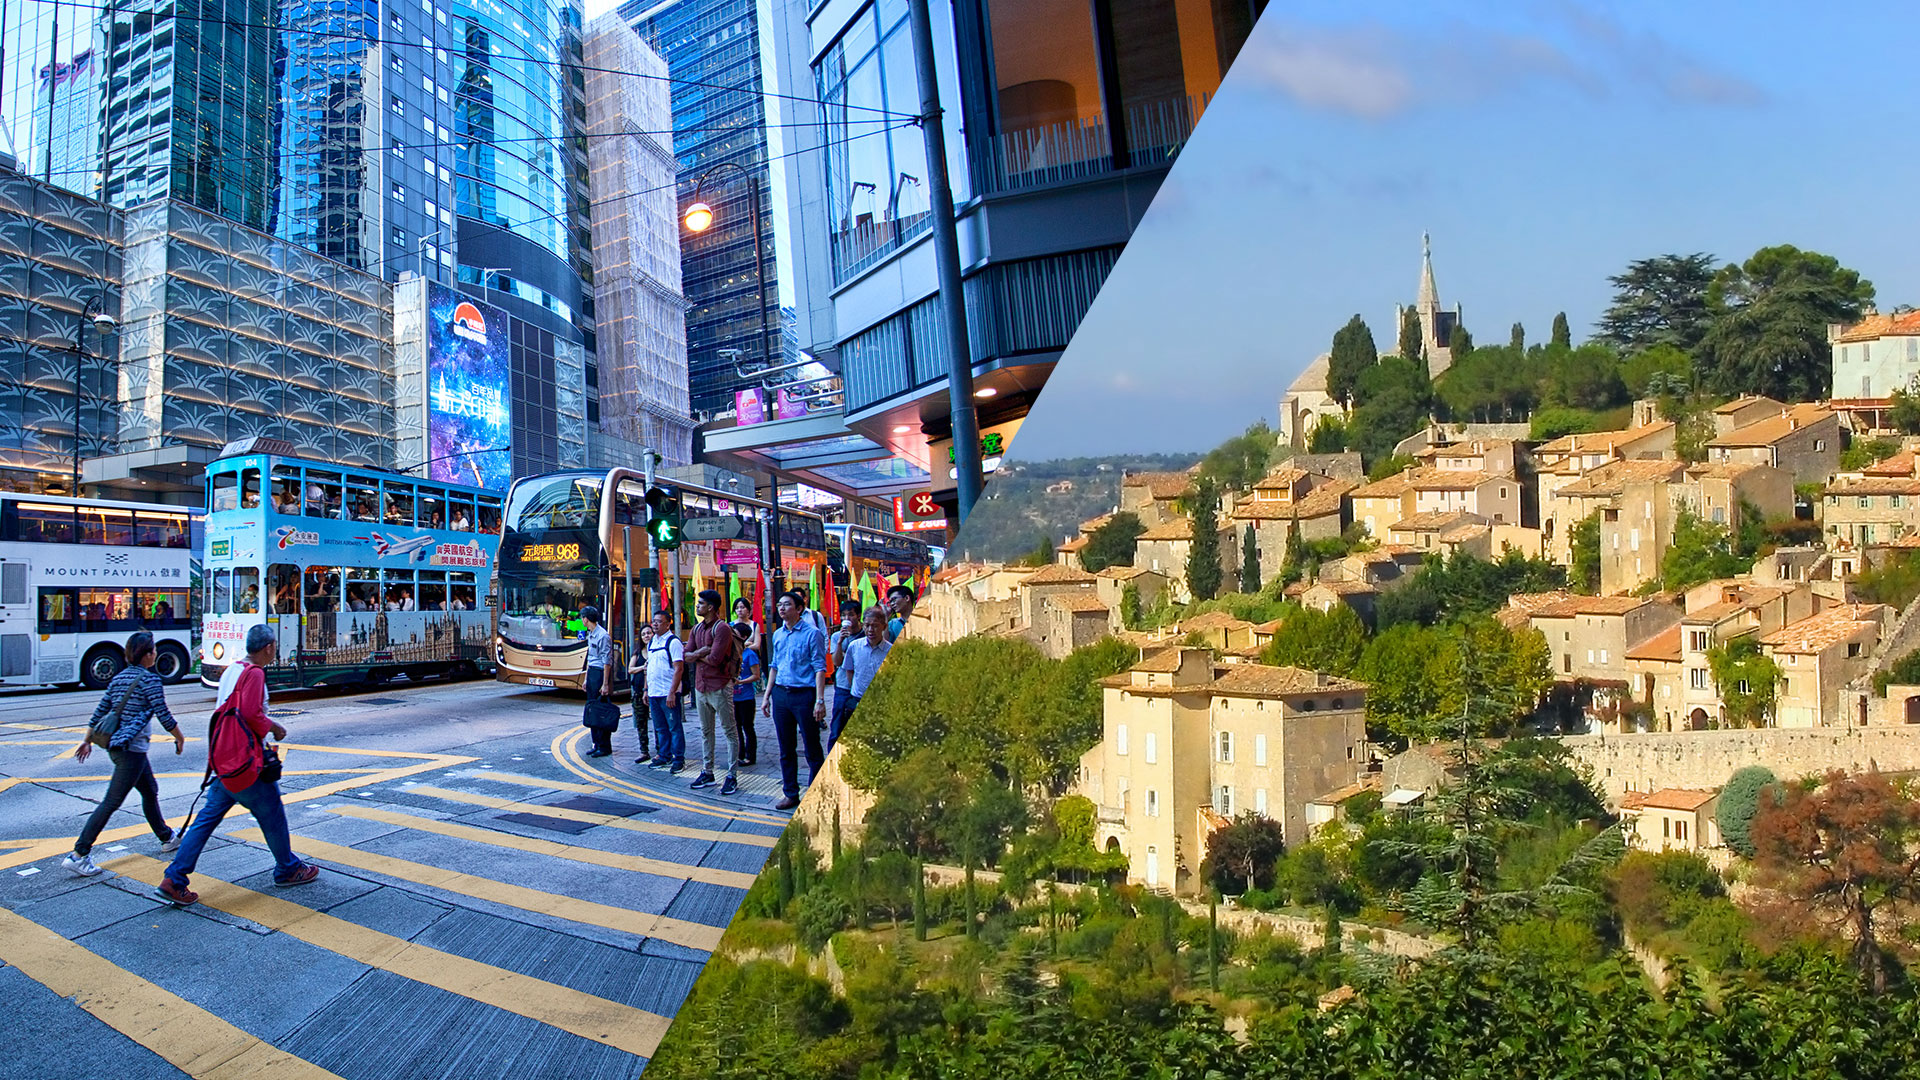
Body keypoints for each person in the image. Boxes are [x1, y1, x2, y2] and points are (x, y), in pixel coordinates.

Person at [158, 625, 318, 905]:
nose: (275, 650)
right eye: (274, 646)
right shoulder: (255, 673)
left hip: (224, 762)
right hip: (246, 765)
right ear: (268, 647)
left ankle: (174, 878)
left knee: (205, 821)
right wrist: (275, 727)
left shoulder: (232, 669)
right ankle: (288, 869)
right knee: (273, 815)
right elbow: (250, 715)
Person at [61, 632, 186, 876]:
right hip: (131, 751)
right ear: (148, 655)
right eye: (154, 650)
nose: (156, 654)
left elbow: (99, 713)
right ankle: (79, 854)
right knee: (111, 802)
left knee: (150, 790)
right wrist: (180, 739)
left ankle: (166, 837)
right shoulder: (150, 680)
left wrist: (86, 741)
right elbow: (164, 715)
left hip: (120, 749)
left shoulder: (119, 678)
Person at [763, 589, 827, 811]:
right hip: (781, 694)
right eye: (779, 604)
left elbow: (819, 668)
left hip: (804, 696)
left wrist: (820, 700)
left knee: (812, 746)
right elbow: (774, 666)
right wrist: (767, 696)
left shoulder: (812, 633)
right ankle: (790, 793)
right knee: (785, 747)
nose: (781, 608)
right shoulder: (778, 634)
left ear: (799, 609)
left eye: (787, 604)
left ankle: (816, 792)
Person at [684, 590, 742, 795]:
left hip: (720, 685)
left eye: (700, 604)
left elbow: (716, 659)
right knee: (706, 731)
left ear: (711, 607)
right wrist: (702, 652)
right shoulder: (697, 628)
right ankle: (707, 771)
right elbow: (686, 655)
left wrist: (696, 655)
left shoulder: (722, 628)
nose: (697, 606)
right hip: (701, 687)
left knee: (729, 730)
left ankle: (731, 775)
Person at [832, 606, 894, 748]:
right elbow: (849, 670)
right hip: (856, 700)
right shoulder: (855, 646)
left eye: (875, 626)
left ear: (884, 626)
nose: (871, 630)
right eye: (867, 625)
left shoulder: (890, 649)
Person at [642, 610, 686, 772]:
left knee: (674, 726)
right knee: (660, 727)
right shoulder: (652, 642)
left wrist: (672, 692)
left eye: (659, 621)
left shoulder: (673, 642)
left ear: (668, 624)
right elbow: (649, 668)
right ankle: (664, 755)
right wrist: (646, 690)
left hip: (668, 693)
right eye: (654, 621)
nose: (655, 624)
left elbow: (678, 669)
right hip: (654, 693)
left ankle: (678, 758)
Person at [580, 607, 617, 758]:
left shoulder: (603, 636)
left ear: (586, 619)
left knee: (601, 711)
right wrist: (586, 679)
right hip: (593, 673)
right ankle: (596, 743)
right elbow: (590, 659)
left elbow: (607, 660)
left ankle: (604, 746)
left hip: (601, 673)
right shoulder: (591, 634)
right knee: (592, 710)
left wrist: (605, 683)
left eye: (582, 617)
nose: (582, 620)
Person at [732, 621, 759, 767]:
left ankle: (750, 755)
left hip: (747, 697)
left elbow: (756, 675)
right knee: (736, 726)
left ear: (743, 637)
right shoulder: (733, 653)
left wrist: (740, 682)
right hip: (733, 697)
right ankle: (739, 754)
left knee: (747, 726)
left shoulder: (750, 655)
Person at [829, 608, 859, 739]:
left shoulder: (866, 635)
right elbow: (837, 662)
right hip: (843, 686)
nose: (846, 619)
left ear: (858, 616)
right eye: (843, 615)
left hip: (861, 686)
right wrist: (840, 642)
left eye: (850, 614)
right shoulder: (836, 637)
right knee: (837, 729)